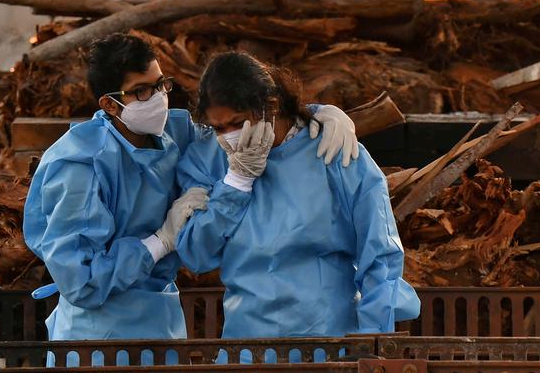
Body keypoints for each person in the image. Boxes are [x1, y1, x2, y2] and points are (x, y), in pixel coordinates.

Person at [23, 33, 362, 347]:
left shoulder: (176, 130)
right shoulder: (79, 166)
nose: (157, 99)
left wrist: (317, 114)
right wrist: (159, 243)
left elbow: (241, 121)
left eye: (160, 85)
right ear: (110, 105)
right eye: (142, 92)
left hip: (162, 321)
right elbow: (81, 282)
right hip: (95, 339)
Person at [175, 52, 420, 339]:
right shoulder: (208, 159)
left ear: (271, 107)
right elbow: (196, 254)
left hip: (329, 341)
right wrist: (235, 184)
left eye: (238, 122)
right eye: (218, 127)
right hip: (247, 349)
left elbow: (380, 254)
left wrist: (373, 337)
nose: (229, 136)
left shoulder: (332, 150)